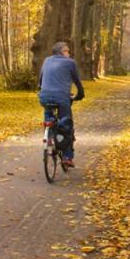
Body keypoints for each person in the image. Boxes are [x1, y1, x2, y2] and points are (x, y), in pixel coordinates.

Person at [38, 41, 84, 169]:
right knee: (67, 124)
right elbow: (77, 82)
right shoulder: (70, 63)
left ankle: (49, 136)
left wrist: (41, 89)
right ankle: (67, 157)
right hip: (62, 97)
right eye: (67, 51)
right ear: (61, 52)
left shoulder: (46, 60)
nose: (69, 53)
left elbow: (40, 80)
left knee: (49, 118)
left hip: (44, 96)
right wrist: (80, 95)